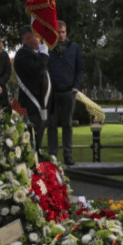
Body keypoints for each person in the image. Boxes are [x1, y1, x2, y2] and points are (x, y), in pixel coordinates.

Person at [47, 20, 83, 166]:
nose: (61, 35)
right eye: (58, 32)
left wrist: (76, 86)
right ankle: (52, 156)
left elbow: (80, 69)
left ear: (66, 32)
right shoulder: (48, 49)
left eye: (63, 32)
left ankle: (68, 156)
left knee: (67, 125)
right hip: (53, 94)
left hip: (69, 92)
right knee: (52, 125)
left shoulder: (74, 48)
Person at [15, 25, 52, 153]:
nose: (39, 40)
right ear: (27, 37)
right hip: (30, 105)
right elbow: (36, 70)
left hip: (38, 104)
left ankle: (36, 160)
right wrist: (44, 55)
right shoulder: (23, 54)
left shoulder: (33, 53)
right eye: (37, 36)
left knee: (37, 142)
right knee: (31, 143)